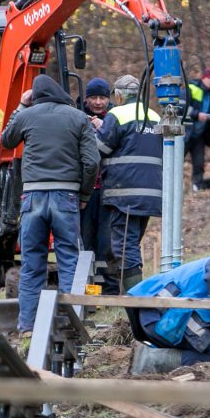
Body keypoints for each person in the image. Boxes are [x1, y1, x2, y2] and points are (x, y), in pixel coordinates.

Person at [0, 74, 100, 334]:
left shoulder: (27, 115)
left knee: (32, 264)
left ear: (35, 96)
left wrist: (21, 106)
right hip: (66, 196)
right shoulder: (78, 117)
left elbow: (5, 140)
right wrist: (84, 196)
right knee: (69, 261)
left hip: (32, 198)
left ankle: (27, 326)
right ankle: (71, 324)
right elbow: (91, 162)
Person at [96, 75, 161, 293]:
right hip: (150, 193)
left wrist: (99, 127)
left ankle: (137, 300)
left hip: (125, 194)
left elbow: (100, 148)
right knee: (132, 243)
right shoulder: (153, 115)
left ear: (119, 95)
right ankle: (136, 294)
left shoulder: (116, 114)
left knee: (125, 247)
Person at [81, 78, 114, 289]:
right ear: (86, 99)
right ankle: (89, 287)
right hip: (85, 191)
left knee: (107, 243)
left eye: (102, 98)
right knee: (86, 242)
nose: (98, 102)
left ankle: (110, 288)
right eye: (94, 97)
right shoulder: (77, 117)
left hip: (108, 190)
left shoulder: (114, 119)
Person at [184, 68, 210, 192]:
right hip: (184, 132)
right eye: (209, 78)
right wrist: (197, 114)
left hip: (200, 135)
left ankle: (197, 187)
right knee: (176, 161)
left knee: (199, 163)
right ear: (203, 78)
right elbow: (181, 107)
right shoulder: (191, 87)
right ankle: (169, 186)